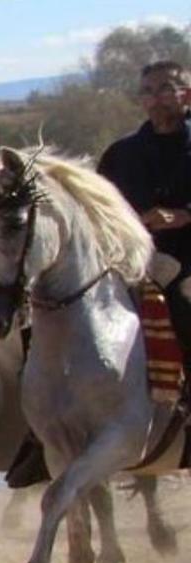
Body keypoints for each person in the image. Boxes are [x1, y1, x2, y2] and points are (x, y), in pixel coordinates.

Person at [98, 61, 191, 373]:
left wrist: (183, 215)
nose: (156, 98)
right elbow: (100, 212)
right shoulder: (120, 155)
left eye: (165, 89)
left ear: (186, 95)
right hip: (134, 264)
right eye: (148, 91)